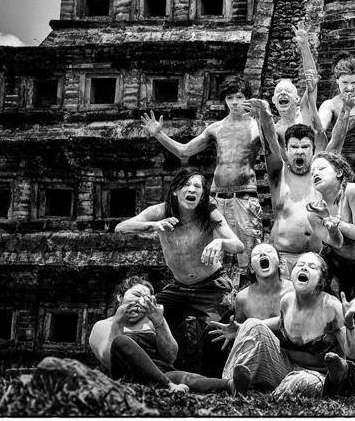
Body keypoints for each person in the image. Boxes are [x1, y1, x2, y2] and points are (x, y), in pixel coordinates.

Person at [141, 75, 262, 270]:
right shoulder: (216, 128)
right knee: (212, 258)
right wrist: (158, 134)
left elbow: (277, 150)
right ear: (224, 100)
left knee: (249, 258)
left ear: (246, 98)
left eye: (239, 97)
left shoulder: (257, 126)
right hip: (216, 198)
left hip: (244, 196)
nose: (235, 102)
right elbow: (184, 151)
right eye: (230, 98)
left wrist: (265, 116)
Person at [115, 168, 242, 329]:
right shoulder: (161, 211)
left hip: (211, 286)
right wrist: (153, 225)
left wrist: (221, 243)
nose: (191, 189)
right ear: (175, 191)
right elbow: (121, 227)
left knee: (216, 332)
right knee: (148, 316)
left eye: (197, 186)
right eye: (186, 185)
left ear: (202, 195)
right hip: (179, 288)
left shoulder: (209, 212)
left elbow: (238, 245)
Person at [218, 252, 355, 391]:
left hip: (318, 376)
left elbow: (353, 353)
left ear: (321, 281)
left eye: (312, 267)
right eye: (300, 265)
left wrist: (350, 324)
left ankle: (273, 387)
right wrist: (243, 328)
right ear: (293, 273)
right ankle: (230, 383)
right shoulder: (287, 301)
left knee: (303, 382)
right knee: (252, 324)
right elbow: (281, 322)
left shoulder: (332, 307)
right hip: (285, 366)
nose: (305, 268)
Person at [89, 276, 237, 394]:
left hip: (162, 373)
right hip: (129, 375)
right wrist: (118, 324)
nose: (141, 302)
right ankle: (168, 385)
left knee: (187, 377)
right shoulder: (103, 325)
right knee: (121, 341)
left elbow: (171, 356)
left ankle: (232, 384)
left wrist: (159, 322)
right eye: (136, 295)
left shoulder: (152, 321)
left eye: (147, 299)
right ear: (120, 297)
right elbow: (108, 360)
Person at [249, 99, 336, 275]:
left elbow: (335, 141)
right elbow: (270, 141)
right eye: (294, 147)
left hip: (315, 258)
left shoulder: (320, 176)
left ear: (313, 150)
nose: (299, 151)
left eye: (305, 147)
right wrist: (265, 114)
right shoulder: (278, 172)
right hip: (283, 257)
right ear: (287, 151)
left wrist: (345, 112)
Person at [305, 151, 355, 332]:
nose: (315, 173)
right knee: (335, 316)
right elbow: (336, 242)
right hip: (335, 262)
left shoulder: (352, 191)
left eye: (322, 168)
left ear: (339, 172)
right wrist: (326, 219)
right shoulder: (314, 213)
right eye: (312, 171)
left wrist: (333, 219)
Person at [209, 243, 295, 391]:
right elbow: (244, 338)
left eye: (268, 251)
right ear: (250, 268)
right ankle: (231, 383)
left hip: (288, 364)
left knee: (254, 325)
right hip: (258, 365)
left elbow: (288, 321)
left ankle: (229, 386)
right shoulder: (243, 298)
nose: (262, 255)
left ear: (280, 263)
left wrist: (247, 327)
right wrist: (237, 334)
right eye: (257, 254)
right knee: (251, 328)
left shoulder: (293, 290)